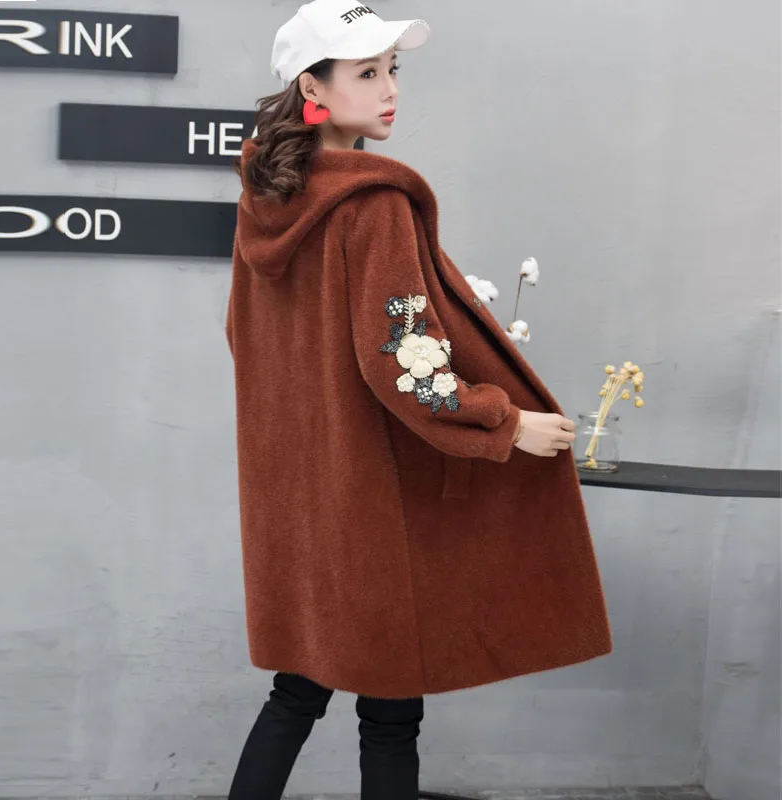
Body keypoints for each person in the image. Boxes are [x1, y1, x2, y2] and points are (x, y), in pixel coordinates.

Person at [224, 1, 613, 798]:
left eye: (393, 69)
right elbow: (406, 361)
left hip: (298, 499)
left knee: (296, 693)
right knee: (390, 715)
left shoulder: (269, 199)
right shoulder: (373, 203)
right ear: (313, 88)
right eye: (367, 72)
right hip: (372, 506)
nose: (391, 88)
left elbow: (244, 338)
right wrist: (505, 424)